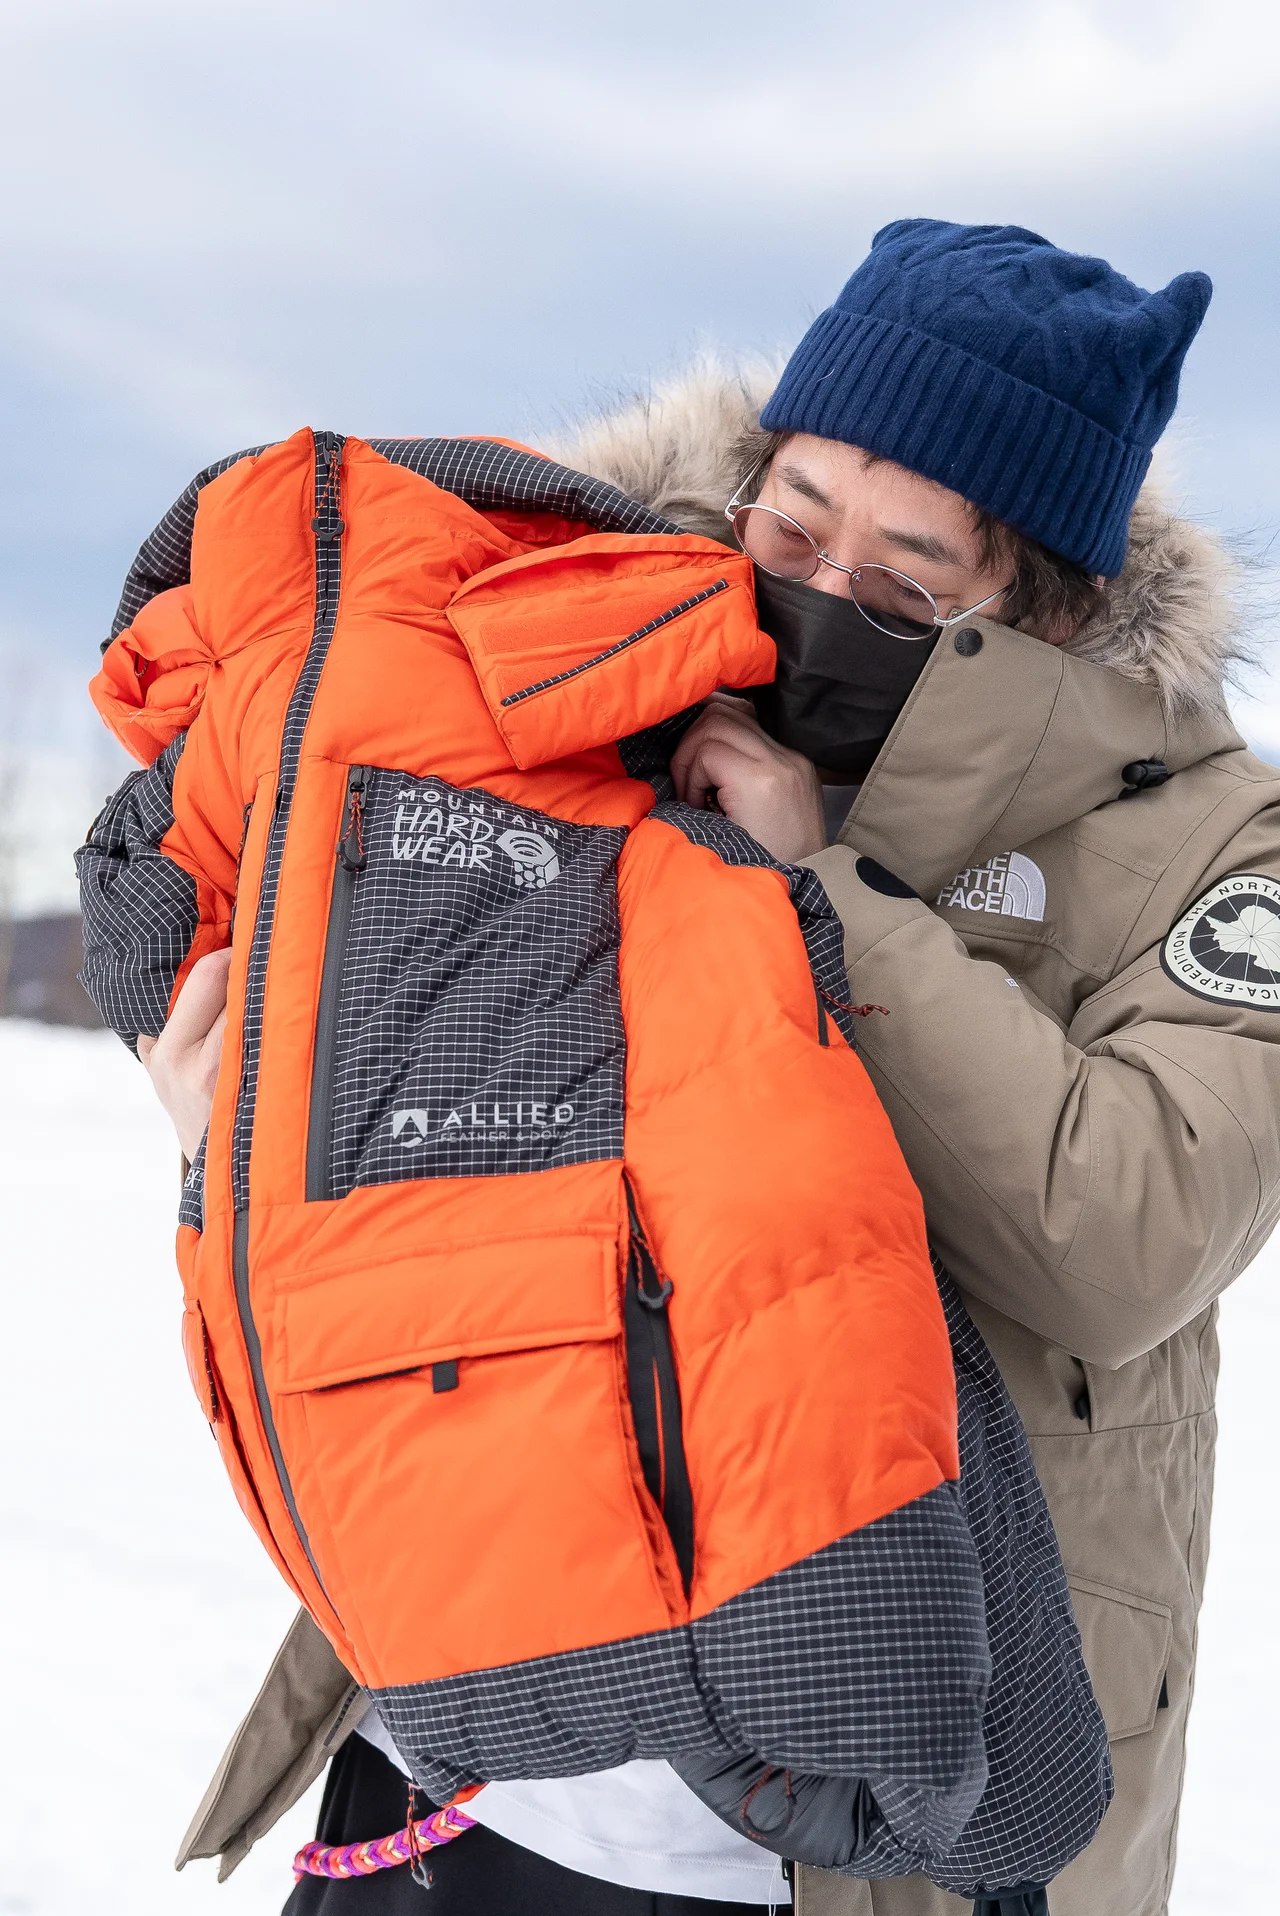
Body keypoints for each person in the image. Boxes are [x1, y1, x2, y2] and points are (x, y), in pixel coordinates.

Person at [116, 221, 1280, 1916]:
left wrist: (823, 898)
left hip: (885, 1830)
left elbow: (1127, 1242)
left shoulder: (1211, 845)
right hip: (485, 1753)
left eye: (903, 584)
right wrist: (233, 1124)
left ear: (1052, 604)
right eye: (791, 519)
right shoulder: (598, 684)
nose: (817, 590)